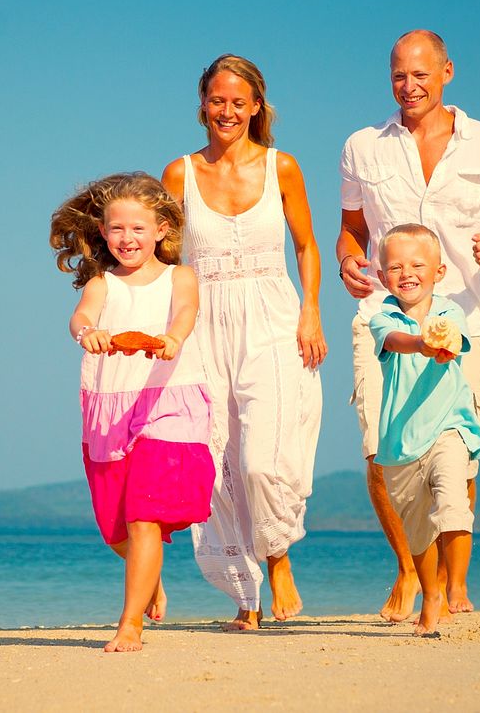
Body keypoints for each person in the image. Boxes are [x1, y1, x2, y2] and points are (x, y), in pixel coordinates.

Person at [337, 30, 480, 622]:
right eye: (399, 75)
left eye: (421, 74)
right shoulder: (363, 146)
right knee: (380, 450)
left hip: (464, 313)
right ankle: (409, 569)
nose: (409, 85)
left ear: (447, 71)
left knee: (458, 450)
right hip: (385, 316)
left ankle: (447, 581)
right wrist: (347, 262)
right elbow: (350, 229)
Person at [161, 54, 326, 630]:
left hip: (274, 317)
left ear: (257, 106)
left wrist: (311, 313)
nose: (226, 111)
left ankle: (278, 558)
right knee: (215, 461)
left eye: (239, 101)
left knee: (263, 458)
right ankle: (246, 598)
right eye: (217, 100)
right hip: (204, 323)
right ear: (202, 103)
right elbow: (166, 261)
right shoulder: (179, 174)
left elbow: (306, 246)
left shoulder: (283, 167)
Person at [49, 172, 215, 652]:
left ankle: (129, 626)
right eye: (117, 229)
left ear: (162, 229)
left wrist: (173, 339)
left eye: (139, 228)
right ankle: (151, 578)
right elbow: (81, 316)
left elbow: (186, 312)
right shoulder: (103, 282)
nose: (128, 238)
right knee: (114, 527)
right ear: (103, 232)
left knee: (146, 516)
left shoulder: (178, 276)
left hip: (170, 398)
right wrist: (88, 335)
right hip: (111, 405)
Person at [369, 223, 480, 635]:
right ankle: (429, 597)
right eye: (396, 266)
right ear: (383, 277)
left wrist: (441, 343)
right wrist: (421, 343)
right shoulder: (383, 317)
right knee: (418, 531)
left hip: (449, 428)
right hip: (401, 442)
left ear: (438, 272)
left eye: (418, 264)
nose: (407, 272)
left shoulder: (451, 311)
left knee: (453, 501)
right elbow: (398, 340)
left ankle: (455, 586)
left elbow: (452, 339)